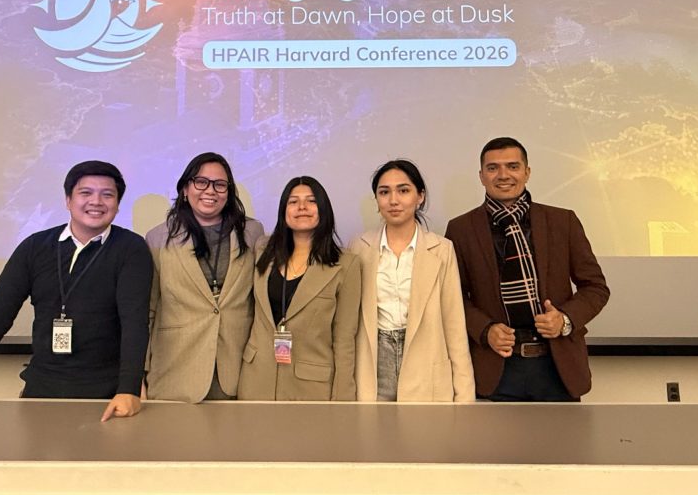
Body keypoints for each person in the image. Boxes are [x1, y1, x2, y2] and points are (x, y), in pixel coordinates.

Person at [0, 160, 153, 421]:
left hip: (107, 392)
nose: (96, 201)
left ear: (117, 204)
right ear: (68, 200)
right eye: (85, 193)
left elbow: (134, 322)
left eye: (107, 195)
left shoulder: (131, 248)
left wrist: (129, 389)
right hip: (42, 387)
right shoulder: (34, 247)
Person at [444, 137, 610, 401]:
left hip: (558, 368)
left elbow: (596, 287)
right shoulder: (461, 229)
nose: (503, 175)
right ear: (481, 176)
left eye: (513, 166)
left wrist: (564, 319)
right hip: (495, 368)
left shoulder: (562, 221)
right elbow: (452, 297)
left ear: (527, 172)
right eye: (493, 168)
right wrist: (485, 330)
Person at [144, 152, 264, 402]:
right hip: (176, 369)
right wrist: (138, 374)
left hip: (237, 368)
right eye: (201, 182)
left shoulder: (252, 231)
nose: (210, 190)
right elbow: (149, 310)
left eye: (220, 184)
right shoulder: (157, 238)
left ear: (229, 192)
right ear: (185, 189)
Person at [351, 160, 475, 402]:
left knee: (423, 428)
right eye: (384, 192)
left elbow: (454, 323)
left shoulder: (442, 249)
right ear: (376, 200)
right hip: (374, 366)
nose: (393, 200)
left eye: (403, 190)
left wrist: (464, 395)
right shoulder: (359, 247)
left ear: (420, 196)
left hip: (426, 365)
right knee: (373, 427)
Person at [238, 176, 360, 401]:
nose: (302, 207)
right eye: (293, 202)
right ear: (283, 210)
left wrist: (343, 400)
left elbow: (344, 339)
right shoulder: (262, 251)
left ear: (323, 209)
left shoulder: (346, 264)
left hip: (311, 388)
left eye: (311, 201)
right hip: (256, 380)